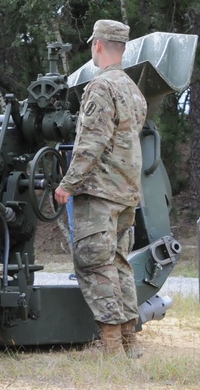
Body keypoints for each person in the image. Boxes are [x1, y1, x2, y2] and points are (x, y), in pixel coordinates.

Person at [54, 19, 147, 358]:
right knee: (120, 262)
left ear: (97, 45)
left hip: (100, 193)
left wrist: (68, 184)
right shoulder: (133, 90)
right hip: (126, 193)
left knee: (95, 263)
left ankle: (110, 347)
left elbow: (91, 143)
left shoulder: (100, 87)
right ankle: (128, 342)